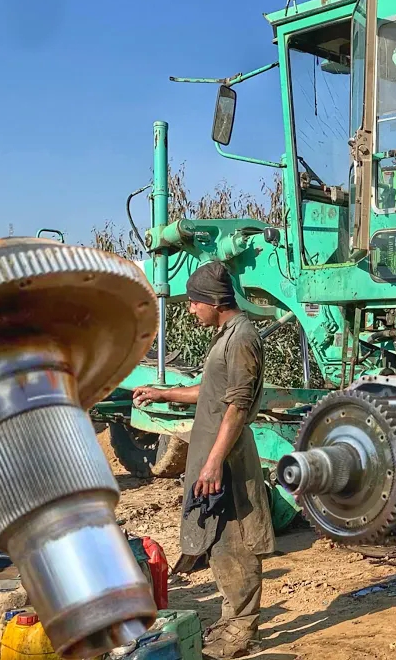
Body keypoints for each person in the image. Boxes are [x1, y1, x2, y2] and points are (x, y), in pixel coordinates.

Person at [133, 261, 274, 658]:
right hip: (214, 457)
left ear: (214, 301)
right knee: (217, 542)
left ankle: (241, 631)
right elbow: (209, 391)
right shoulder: (226, 336)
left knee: (235, 544)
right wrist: (164, 393)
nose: (191, 309)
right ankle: (231, 621)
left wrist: (214, 462)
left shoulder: (242, 338)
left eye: (195, 303)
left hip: (226, 461)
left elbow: (236, 407)